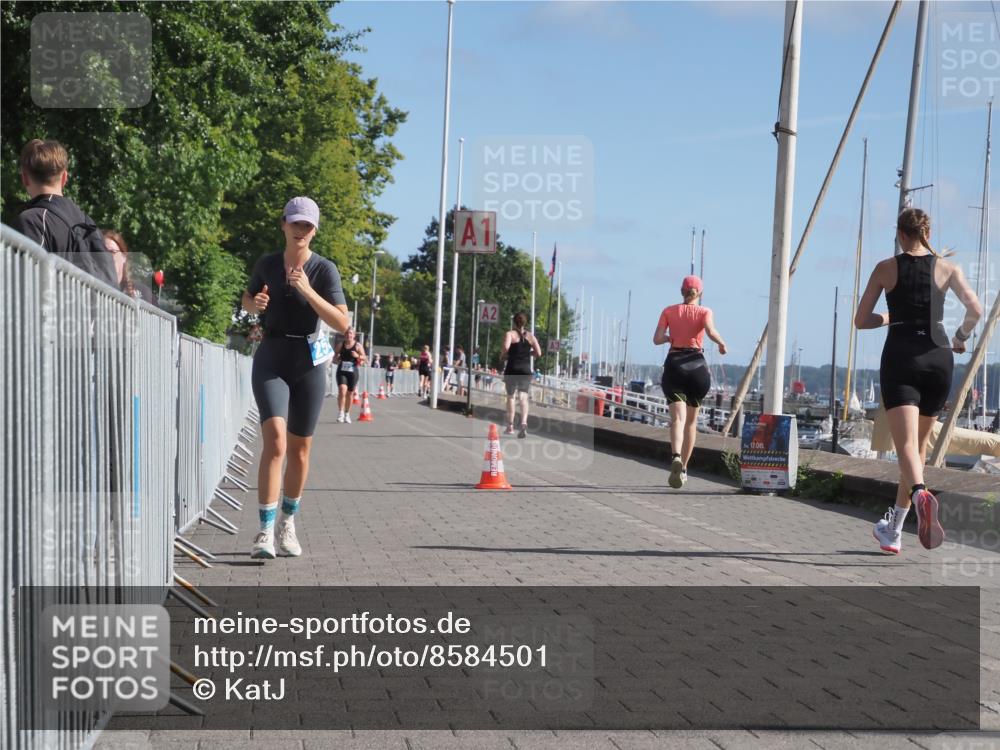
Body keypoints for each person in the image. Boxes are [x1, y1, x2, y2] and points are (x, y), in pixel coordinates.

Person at [856, 208, 982, 555]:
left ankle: (921, 495)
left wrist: (889, 317)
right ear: (927, 232)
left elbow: (861, 320)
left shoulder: (885, 268)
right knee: (918, 450)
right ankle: (894, 530)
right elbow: (975, 310)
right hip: (939, 358)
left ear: (900, 234)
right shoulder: (948, 268)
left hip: (902, 357)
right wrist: (960, 337)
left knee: (906, 449)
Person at [242, 196, 349, 560]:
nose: (300, 230)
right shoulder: (268, 263)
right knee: (275, 441)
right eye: (295, 223)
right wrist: (253, 305)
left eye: (307, 225)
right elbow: (247, 297)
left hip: (308, 363)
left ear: (314, 231)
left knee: (300, 450)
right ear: (283, 225)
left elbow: (342, 322)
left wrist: (306, 290)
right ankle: (264, 530)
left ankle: (287, 522)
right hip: (272, 357)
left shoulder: (324, 270)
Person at [652, 275, 727, 489]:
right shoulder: (705, 312)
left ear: (681, 291)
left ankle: (675, 456)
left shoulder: (669, 311)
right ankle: (683, 469)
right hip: (697, 368)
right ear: (699, 293)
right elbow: (711, 331)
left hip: (675, 365)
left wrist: (669, 338)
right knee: (691, 424)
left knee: (677, 419)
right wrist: (722, 344)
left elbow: (656, 339)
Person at [13, 139, 117, 287]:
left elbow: (27, 284)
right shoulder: (87, 223)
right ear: (64, 178)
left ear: (24, 178)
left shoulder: (32, 221)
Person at [500, 313, 542, 438]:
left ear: (514, 322)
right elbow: (539, 353)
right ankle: (524, 423)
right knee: (523, 397)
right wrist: (529, 354)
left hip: (512, 369)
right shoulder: (530, 336)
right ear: (525, 322)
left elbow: (506, 347)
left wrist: (503, 355)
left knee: (511, 397)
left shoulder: (510, 334)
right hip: (525, 370)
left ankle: (510, 426)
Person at [102, 229, 155, 304]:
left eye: (112, 252)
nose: (106, 256)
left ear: (124, 257)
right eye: (102, 252)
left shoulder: (143, 292)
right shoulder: (91, 287)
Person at [335, 327, 366, 423]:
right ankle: (341, 413)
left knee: (350, 393)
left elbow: (364, 357)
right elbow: (335, 356)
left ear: (354, 335)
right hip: (342, 370)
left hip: (353, 372)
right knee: (342, 390)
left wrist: (357, 356)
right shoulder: (341, 344)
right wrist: (336, 358)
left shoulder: (357, 345)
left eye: (351, 333)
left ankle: (347, 413)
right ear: (345, 335)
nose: (349, 335)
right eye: (347, 333)